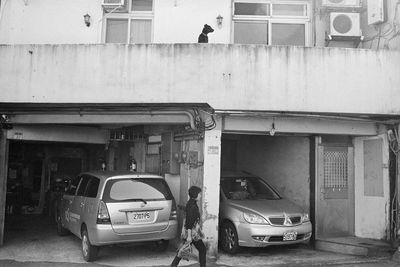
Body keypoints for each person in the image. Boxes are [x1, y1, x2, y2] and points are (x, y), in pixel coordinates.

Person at [171, 186, 206, 267]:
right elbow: (189, 222)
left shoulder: (190, 203)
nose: (200, 195)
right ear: (195, 194)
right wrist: (189, 237)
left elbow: (192, 220)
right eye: (199, 194)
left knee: (183, 250)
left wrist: (199, 232)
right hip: (191, 233)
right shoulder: (193, 206)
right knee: (202, 249)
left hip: (189, 232)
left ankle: (173, 265)